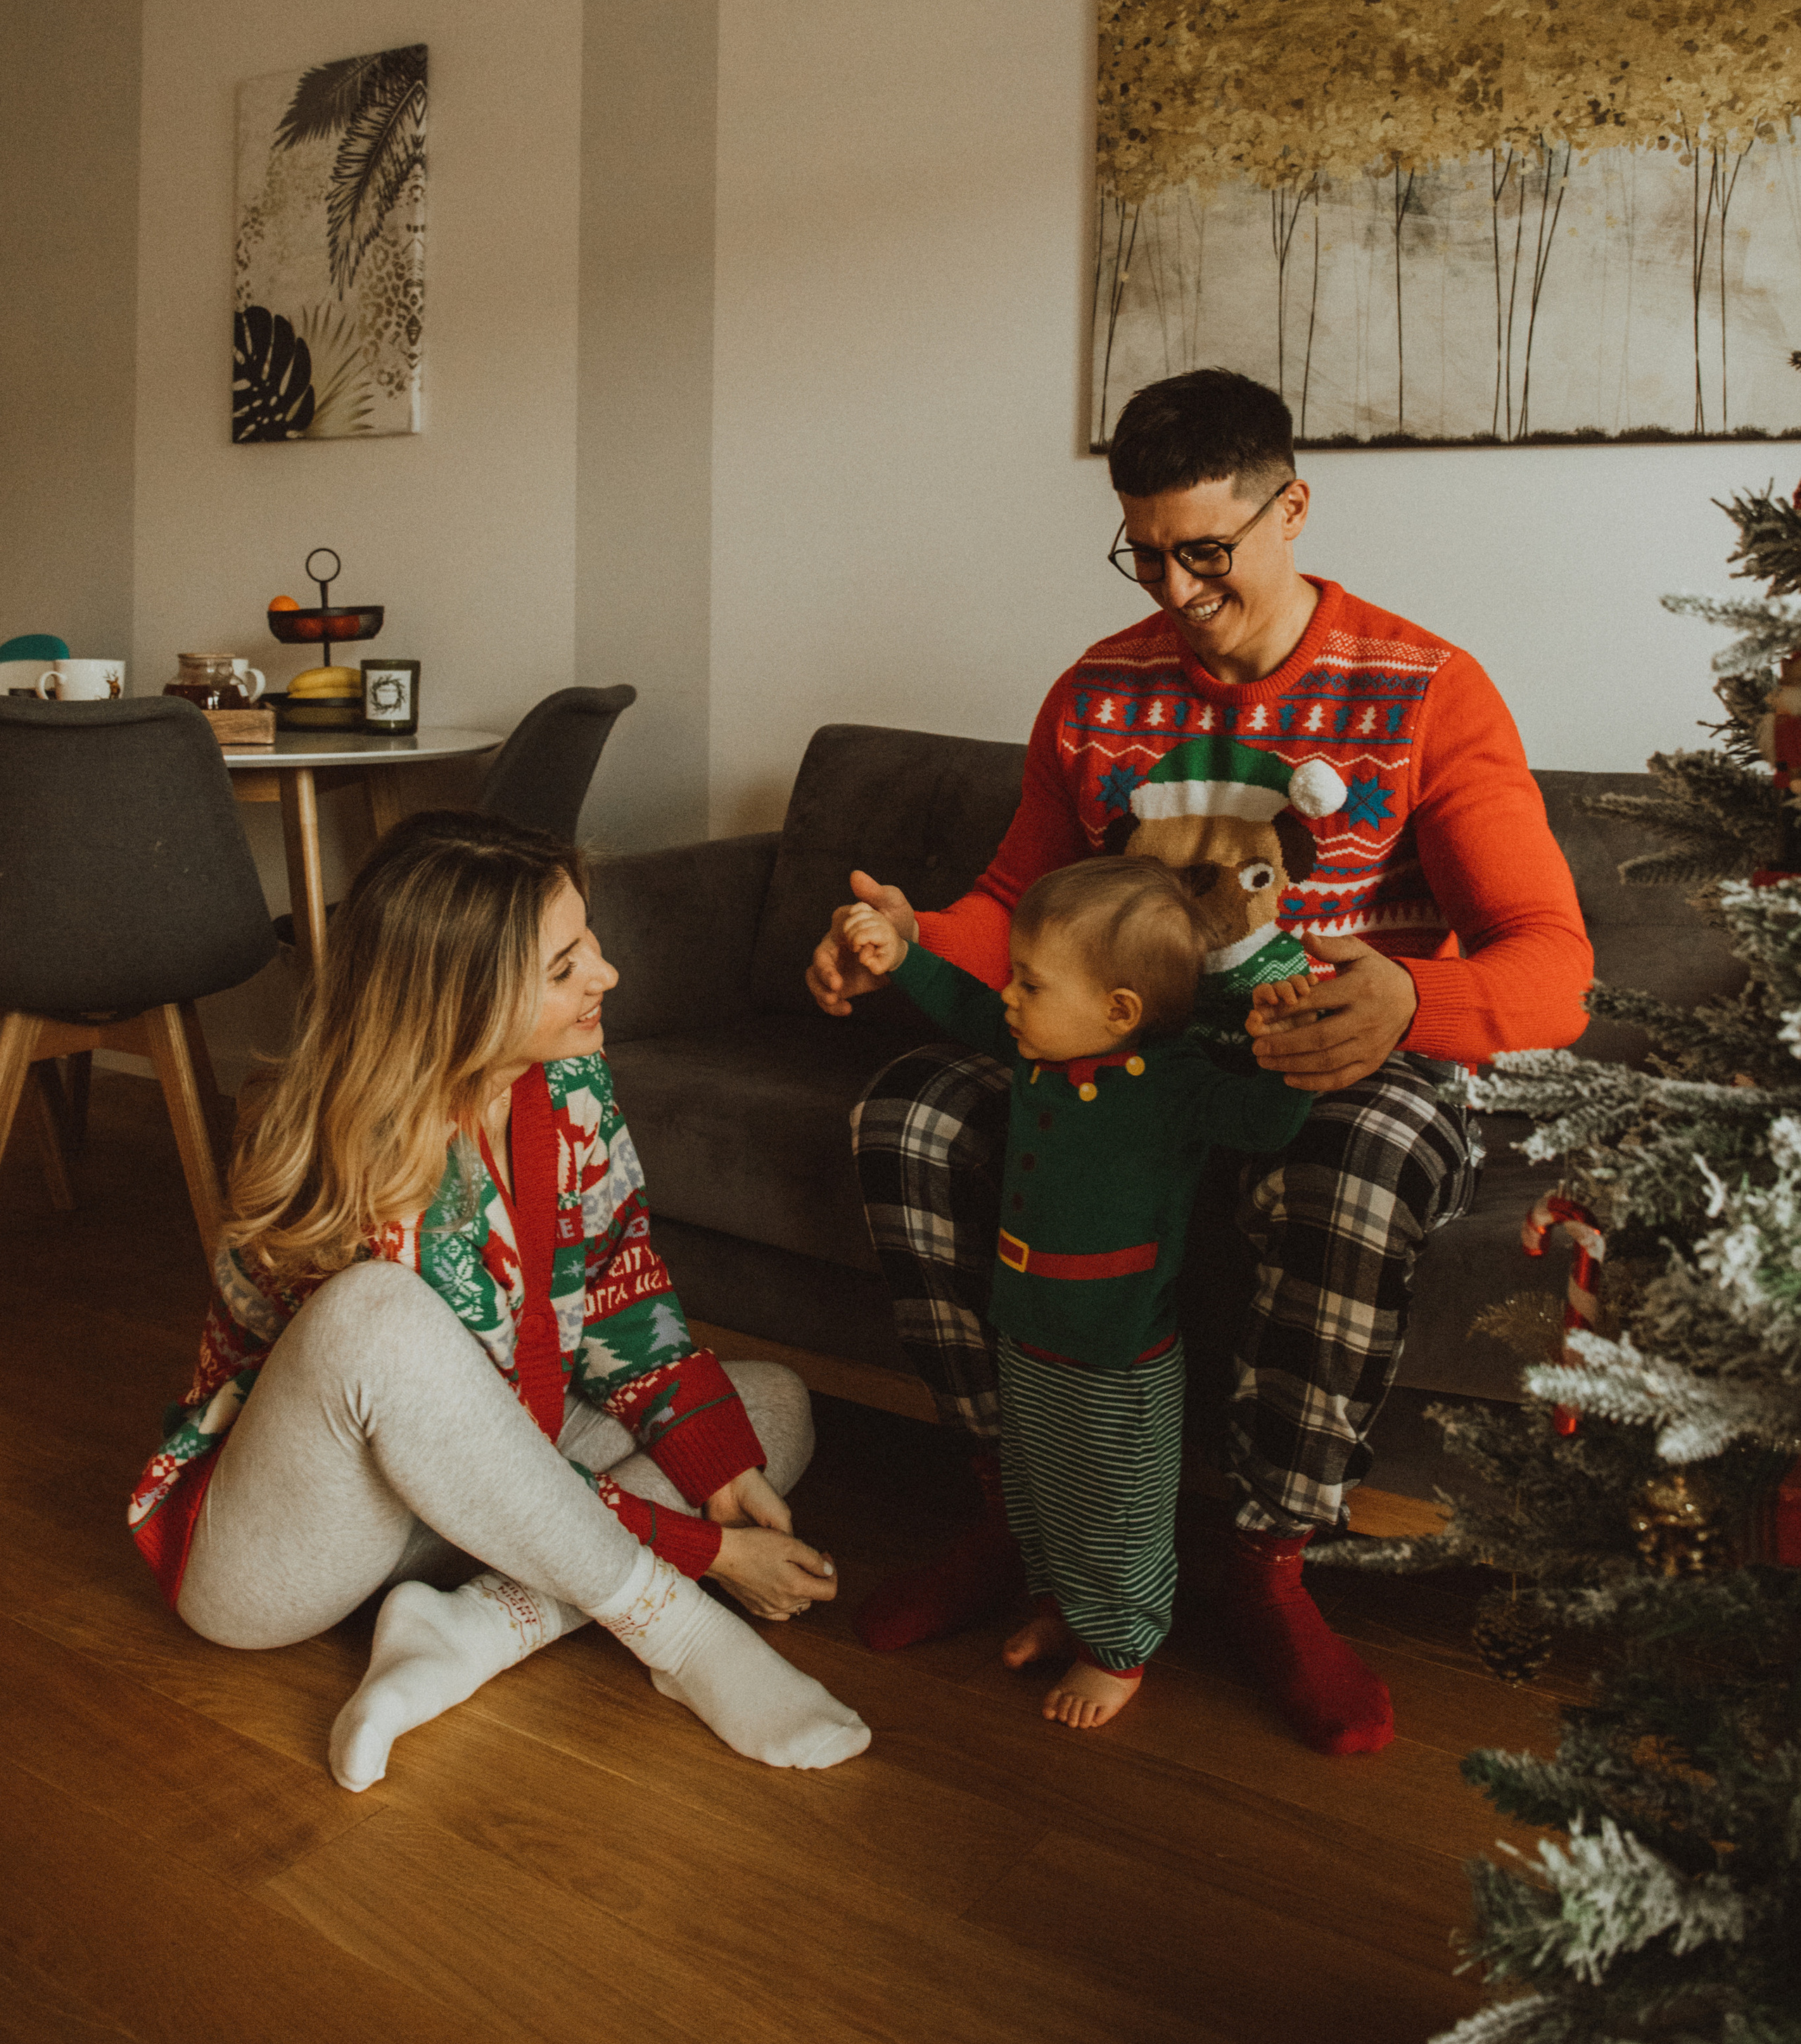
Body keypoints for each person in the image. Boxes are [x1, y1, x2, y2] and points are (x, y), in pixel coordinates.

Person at [808, 366, 1591, 1758]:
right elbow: (1008, 911)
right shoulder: (1092, 699)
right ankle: (1017, 1515)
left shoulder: (1425, 692)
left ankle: (1267, 1565)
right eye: (1143, 550)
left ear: (1290, 510)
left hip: (1329, 1066)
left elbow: (1551, 963)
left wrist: (1408, 1003)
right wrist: (898, 936)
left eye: (1204, 551)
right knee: (910, 1117)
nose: (1170, 588)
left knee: (1364, 1161)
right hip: (1121, 1068)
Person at [131, 808, 870, 1789]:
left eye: (588, 940)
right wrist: (705, 1556)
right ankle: (677, 1633)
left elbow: (618, 1295)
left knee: (771, 1407)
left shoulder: (570, 1083)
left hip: (475, 1497)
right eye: (563, 969)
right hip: (288, 1548)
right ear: (458, 1004)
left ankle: (475, 1629)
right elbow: (436, 1440)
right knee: (373, 1314)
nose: (604, 975)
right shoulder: (336, 1155)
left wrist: (721, 1476)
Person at [844, 856, 1312, 1730]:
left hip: (1115, 1352)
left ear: (1119, 1011)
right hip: (1027, 1329)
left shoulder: (1172, 1084)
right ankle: (1064, 1607)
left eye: (1029, 983)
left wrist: (1282, 1056)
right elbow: (966, 1005)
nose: (1009, 1000)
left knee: (1114, 1510)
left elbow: (1264, 1121)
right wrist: (902, 953)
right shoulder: (1043, 1049)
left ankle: (1120, 1651)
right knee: (1039, 1487)